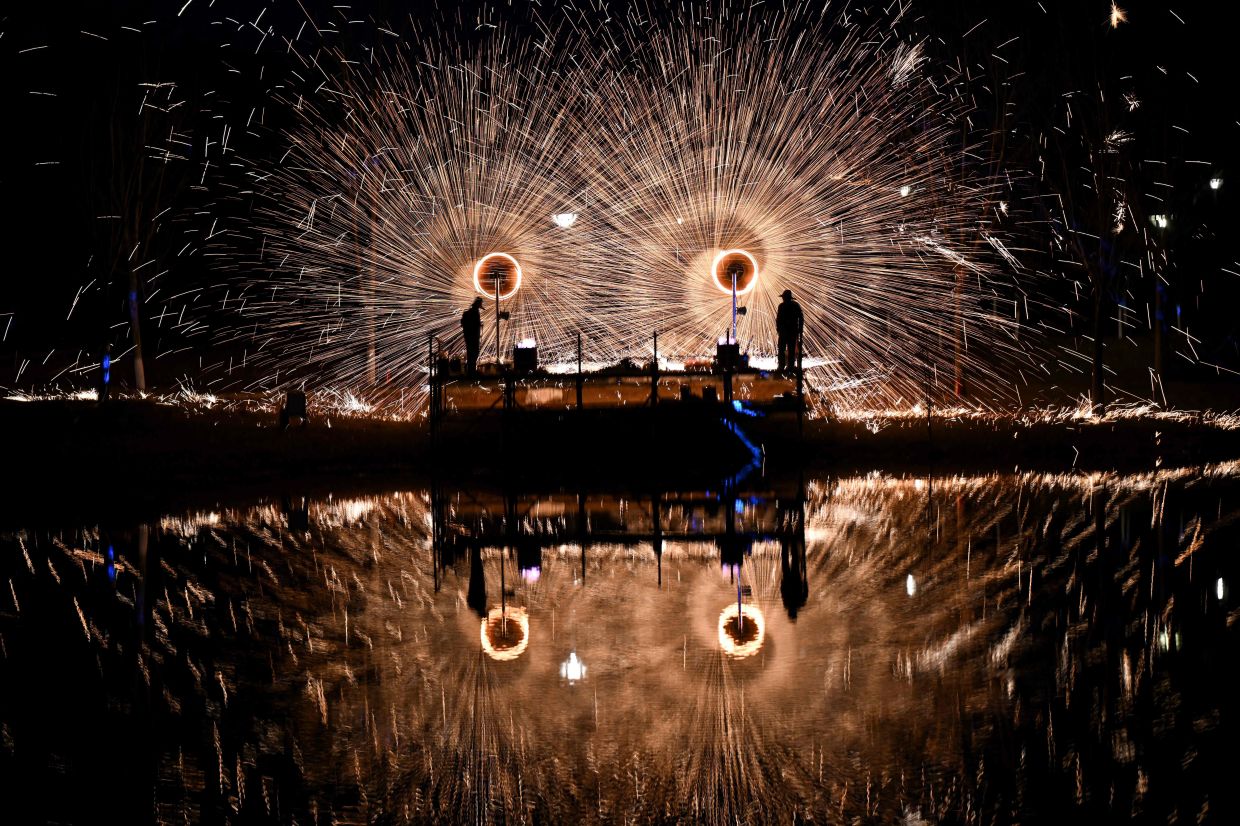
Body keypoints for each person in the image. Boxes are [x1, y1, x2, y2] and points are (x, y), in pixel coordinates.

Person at [776, 289, 803, 374]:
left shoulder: (782, 306)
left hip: (786, 332)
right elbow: (801, 318)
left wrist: (778, 329)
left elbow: (778, 319)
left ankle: (782, 366)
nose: (783, 299)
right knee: (789, 350)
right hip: (791, 332)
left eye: (784, 297)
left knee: (782, 349)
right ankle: (789, 367)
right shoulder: (795, 305)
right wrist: (800, 329)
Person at [461, 297, 483, 376]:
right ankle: (471, 371)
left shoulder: (469, 312)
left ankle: (470, 369)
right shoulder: (475, 312)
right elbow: (475, 324)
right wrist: (479, 325)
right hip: (473, 336)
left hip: (468, 336)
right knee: (474, 352)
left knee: (470, 352)